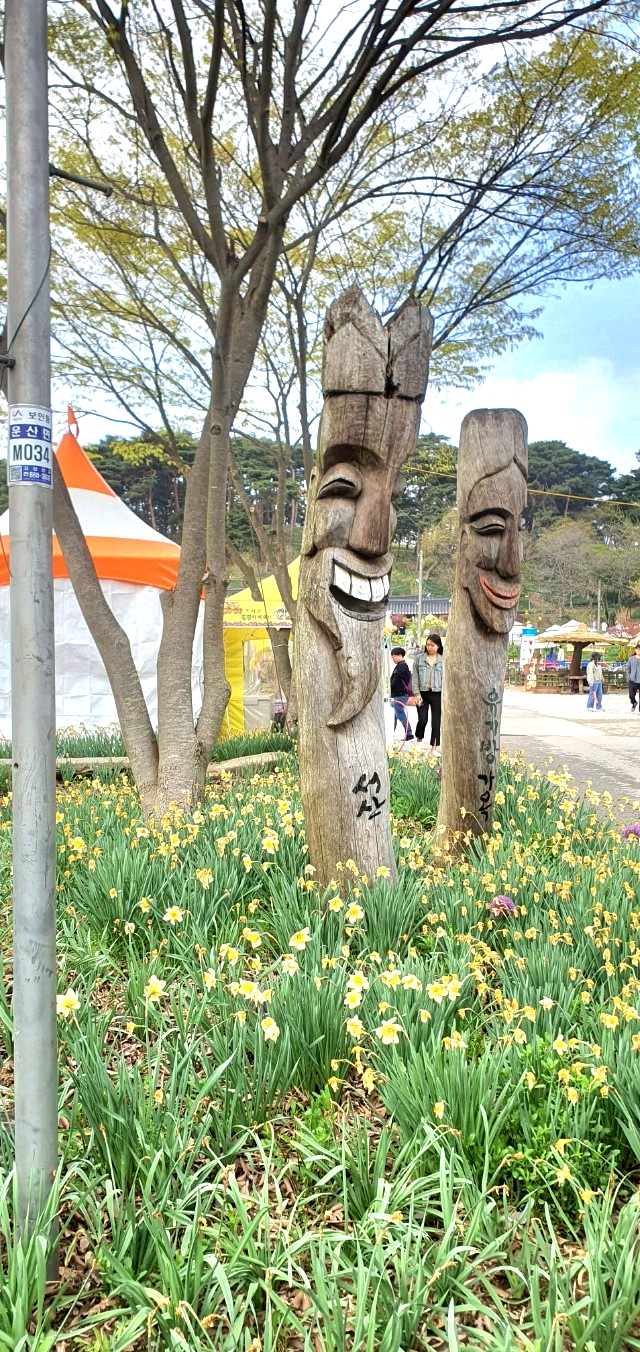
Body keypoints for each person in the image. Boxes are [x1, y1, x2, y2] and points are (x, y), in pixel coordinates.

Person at [412, 632, 444, 753]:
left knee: (436, 722)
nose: (429, 647)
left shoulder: (443, 660)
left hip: (437, 694)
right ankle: (419, 741)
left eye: (432, 645)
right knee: (423, 719)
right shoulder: (419, 659)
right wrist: (416, 694)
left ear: (438, 646)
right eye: (428, 645)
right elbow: (414, 678)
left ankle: (434, 747)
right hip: (422, 694)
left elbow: (446, 679)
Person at [389, 646, 414, 743]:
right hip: (398, 694)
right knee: (397, 713)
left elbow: (397, 681)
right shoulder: (400, 665)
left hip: (400, 694)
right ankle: (396, 732)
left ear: (399, 655)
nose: (392, 658)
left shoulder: (402, 666)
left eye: (393, 656)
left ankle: (409, 734)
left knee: (400, 715)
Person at [627, 641, 640, 712]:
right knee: (631, 695)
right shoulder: (631, 658)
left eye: (639, 649)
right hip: (633, 680)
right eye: (637, 649)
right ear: (635, 650)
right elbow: (627, 668)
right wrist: (629, 677)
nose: (638, 650)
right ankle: (634, 703)